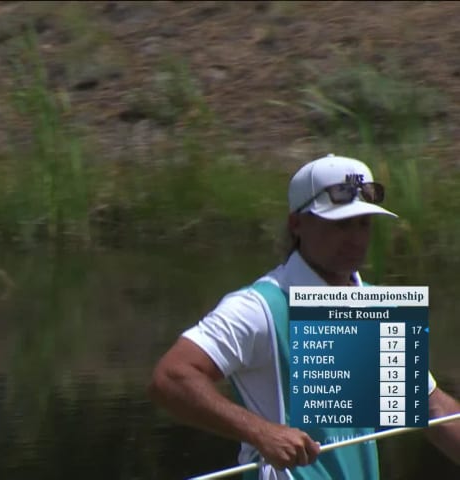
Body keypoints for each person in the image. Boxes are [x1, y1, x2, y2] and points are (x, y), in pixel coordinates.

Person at [148, 154, 460, 479]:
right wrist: (260, 431)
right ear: (296, 224)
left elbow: (432, 410)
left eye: (363, 223)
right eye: (340, 224)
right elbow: (170, 378)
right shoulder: (259, 307)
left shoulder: (372, 308)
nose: (355, 238)